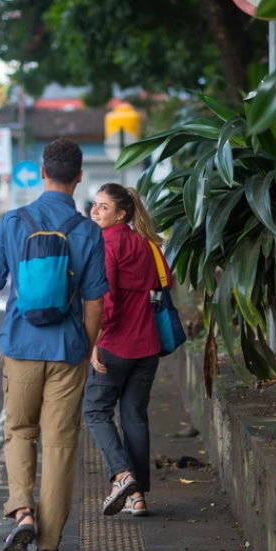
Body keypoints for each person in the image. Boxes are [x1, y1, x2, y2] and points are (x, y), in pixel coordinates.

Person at [0, 138, 108, 551]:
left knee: (19, 431)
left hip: (21, 347)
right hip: (67, 351)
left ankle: (22, 511)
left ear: (42, 172)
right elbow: (95, 301)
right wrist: (84, 348)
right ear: (80, 176)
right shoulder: (88, 231)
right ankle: (48, 549)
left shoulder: (13, 222)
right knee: (61, 445)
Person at [82, 183, 170, 518]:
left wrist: (92, 342)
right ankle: (138, 498)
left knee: (95, 410)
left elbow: (107, 302)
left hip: (114, 346)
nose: (95, 210)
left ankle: (122, 475)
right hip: (147, 345)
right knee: (134, 416)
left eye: (103, 207)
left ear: (121, 213)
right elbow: (165, 282)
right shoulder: (146, 243)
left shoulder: (107, 243)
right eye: (95, 204)